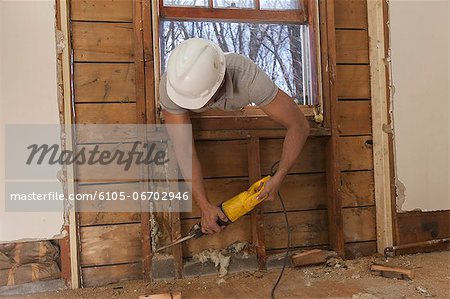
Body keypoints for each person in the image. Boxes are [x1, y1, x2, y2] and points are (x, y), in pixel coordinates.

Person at [160, 38, 310, 235]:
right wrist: (204, 206)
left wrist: (279, 175)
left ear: (220, 82)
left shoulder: (248, 77)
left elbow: (299, 125)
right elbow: (184, 150)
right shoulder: (172, 89)